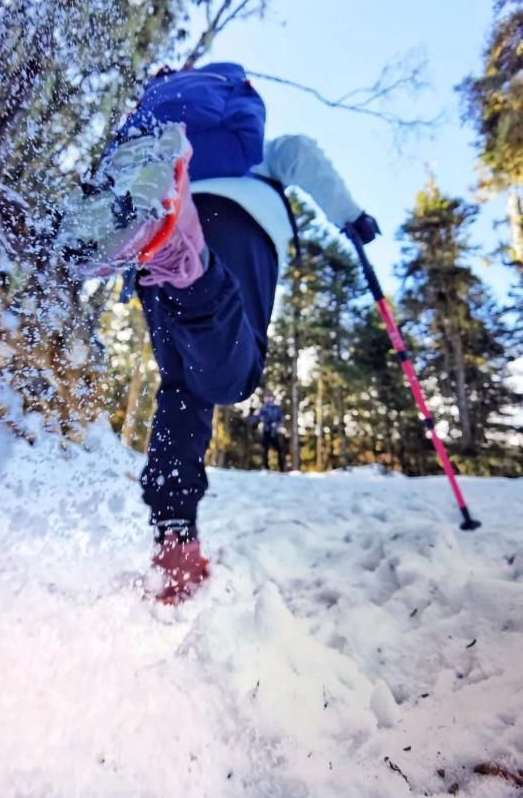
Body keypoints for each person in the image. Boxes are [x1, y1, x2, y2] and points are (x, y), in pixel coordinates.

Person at [58, 62, 380, 602]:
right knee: (230, 377)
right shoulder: (252, 149)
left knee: (184, 390)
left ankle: (174, 544)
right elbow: (299, 151)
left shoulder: (180, 134)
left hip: (153, 227)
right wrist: (351, 216)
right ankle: (187, 257)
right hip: (239, 221)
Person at [252, 391, 285, 471]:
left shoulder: (277, 408)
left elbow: (281, 419)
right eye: (267, 397)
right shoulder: (263, 408)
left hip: (274, 432)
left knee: (279, 449)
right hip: (266, 431)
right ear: (265, 399)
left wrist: (276, 424)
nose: (268, 399)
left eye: (270, 397)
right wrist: (252, 420)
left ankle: (281, 468)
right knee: (265, 449)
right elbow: (257, 417)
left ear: (273, 398)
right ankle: (265, 467)